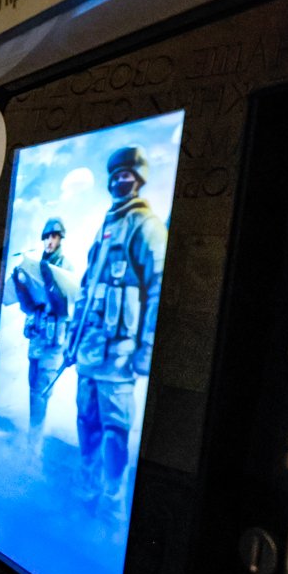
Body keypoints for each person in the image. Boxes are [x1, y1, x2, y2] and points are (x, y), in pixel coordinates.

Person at [69, 146, 166, 515]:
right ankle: (89, 486)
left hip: (120, 355)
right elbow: (86, 290)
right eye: (115, 175)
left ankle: (112, 501)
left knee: (115, 431)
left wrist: (147, 349)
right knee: (86, 422)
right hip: (89, 352)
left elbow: (157, 287)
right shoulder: (106, 226)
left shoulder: (146, 226)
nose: (119, 180)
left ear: (138, 179)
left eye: (126, 175)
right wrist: (70, 344)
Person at [8, 218, 72, 442]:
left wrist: (49, 280)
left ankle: (33, 446)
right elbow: (29, 307)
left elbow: (62, 307)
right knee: (33, 390)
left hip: (53, 346)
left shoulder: (65, 268)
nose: (49, 241)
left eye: (53, 236)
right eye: (46, 237)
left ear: (60, 238)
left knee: (41, 394)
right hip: (36, 341)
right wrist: (20, 285)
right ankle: (32, 441)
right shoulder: (35, 266)